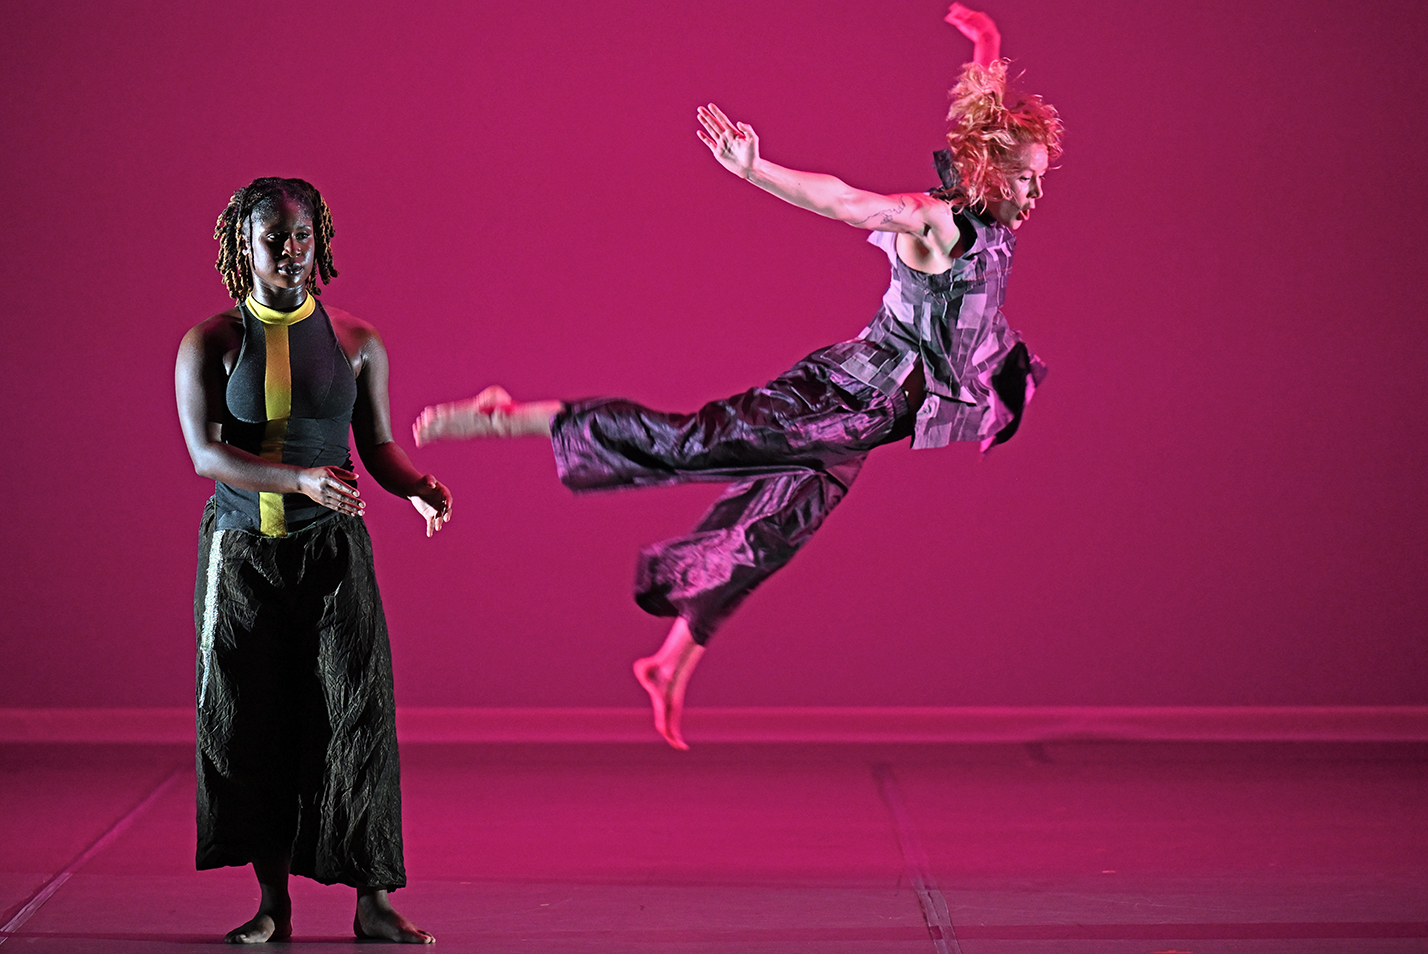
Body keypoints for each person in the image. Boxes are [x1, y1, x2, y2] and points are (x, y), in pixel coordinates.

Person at [414, 4, 1059, 750]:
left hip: (870, 425)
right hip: (837, 400)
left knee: (774, 531)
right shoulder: (936, 220)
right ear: (992, 174)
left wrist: (986, 41)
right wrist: (758, 170)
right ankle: (514, 414)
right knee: (688, 444)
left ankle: (667, 663)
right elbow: (848, 202)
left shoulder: (997, 215)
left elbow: (982, 105)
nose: (1036, 197)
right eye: (1028, 182)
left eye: (1042, 181)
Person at [175, 177, 449, 944]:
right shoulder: (213, 342)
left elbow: (378, 447)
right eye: (275, 240)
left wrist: (417, 487)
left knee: (357, 714)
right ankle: (273, 903)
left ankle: (374, 901)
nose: (292, 254)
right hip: (242, 557)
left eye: (302, 239)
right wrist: (296, 479)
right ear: (243, 246)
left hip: (334, 557)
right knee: (256, 720)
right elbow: (205, 454)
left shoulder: (356, 342)